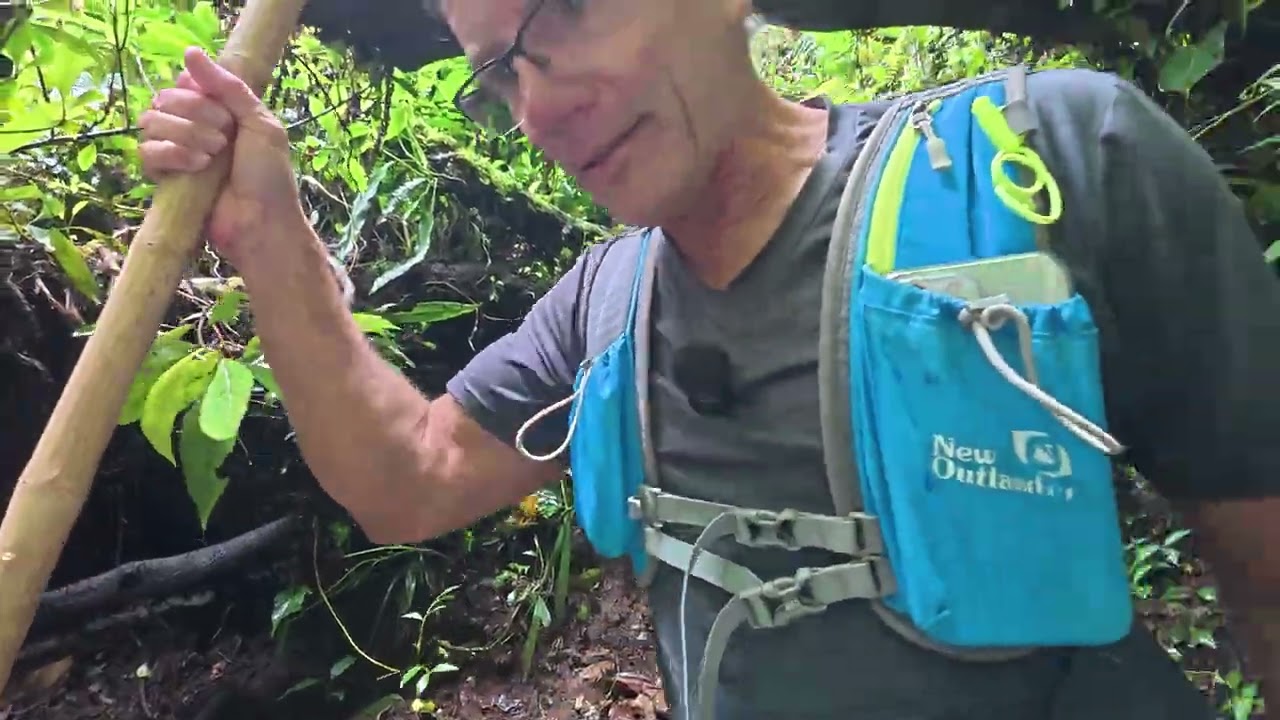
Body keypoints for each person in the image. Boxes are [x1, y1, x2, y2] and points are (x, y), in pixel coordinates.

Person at [138, 0, 1280, 718]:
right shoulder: (605, 303)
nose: (540, 107)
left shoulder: (1054, 162)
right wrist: (267, 233)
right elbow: (404, 479)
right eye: (500, 73)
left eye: (567, 16)